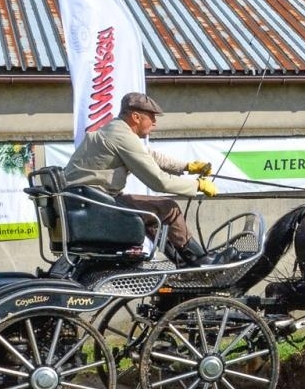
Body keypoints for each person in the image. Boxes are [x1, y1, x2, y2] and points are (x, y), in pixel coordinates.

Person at [62, 92, 218, 265]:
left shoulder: (115, 130)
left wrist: (187, 166)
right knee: (169, 208)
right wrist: (197, 185)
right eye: (151, 117)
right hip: (97, 206)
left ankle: (182, 262)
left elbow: (151, 156)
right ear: (136, 117)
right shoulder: (122, 136)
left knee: (152, 213)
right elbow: (159, 182)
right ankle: (199, 261)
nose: (155, 123)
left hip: (89, 203)